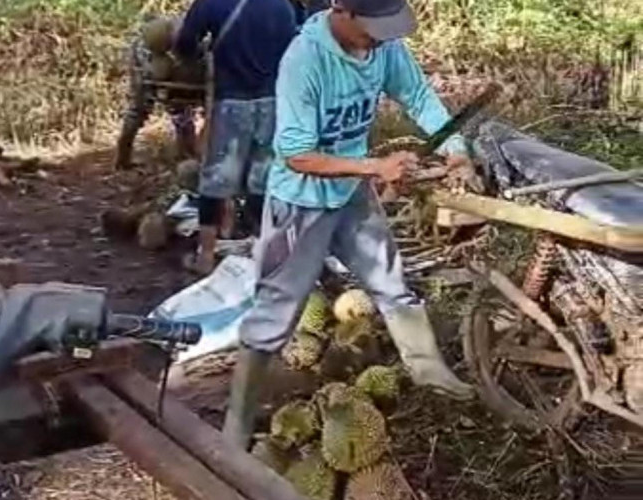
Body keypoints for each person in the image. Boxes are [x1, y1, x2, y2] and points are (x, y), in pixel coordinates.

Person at [223, 0, 475, 449]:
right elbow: (296, 154)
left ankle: (429, 372)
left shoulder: (384, 48)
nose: (380, 37)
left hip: (351, 194)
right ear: (343, 10)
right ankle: (237, 422)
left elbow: (416, 94)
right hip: (299, 204)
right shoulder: (305, 60)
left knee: (390, 280)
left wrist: (454, 144)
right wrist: (374, 167)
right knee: (274, 311)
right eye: (373, 27)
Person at [174, 0, 299, 275]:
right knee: (262, 180)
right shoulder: (283, 6)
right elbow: (294, 48)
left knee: (216, 178)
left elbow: (184, 44)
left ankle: (206, 256)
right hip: (273, 100)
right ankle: (265, 254)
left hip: (231, 101)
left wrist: (202, 54)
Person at [115, 16, 205, 170]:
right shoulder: (159, 43)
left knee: (177, 111)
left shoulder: (187, 35)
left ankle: (186, 155)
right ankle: (123, 158)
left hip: (177, 70)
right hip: (167, 67)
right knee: (141, 110)